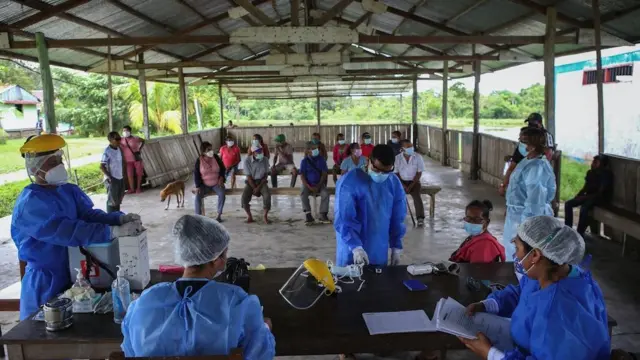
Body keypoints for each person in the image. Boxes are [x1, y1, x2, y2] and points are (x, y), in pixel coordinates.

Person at [11, 134, 141, 320]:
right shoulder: (31, 203)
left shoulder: (67, 190)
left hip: (75, 273)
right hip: (46, 280)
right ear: (35, 167)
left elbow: (88, 215)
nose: (59, 165)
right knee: (45, 335)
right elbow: (64, 230)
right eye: (52, 162)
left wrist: (117, 220)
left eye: (60, 159)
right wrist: (110, 232)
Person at [121, 214, 275, 358]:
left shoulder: (144, 302)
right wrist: (265, 328)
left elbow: (130, 351)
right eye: (224, 253)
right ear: (216, 260)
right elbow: (259, 353)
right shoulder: (236, 301)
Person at [460, 216, 610, 360]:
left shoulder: (557, 316)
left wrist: (490, 354)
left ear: (535, 255)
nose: (515, 255)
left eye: (517, 247)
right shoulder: (554, 271)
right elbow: (523, 293)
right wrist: (487, 305)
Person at [334, 144, 407, 266]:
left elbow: (397, 216)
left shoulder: (393, 182)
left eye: (385, 171)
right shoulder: (350, 182)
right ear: (368, 161)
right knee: (351, 282)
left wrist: (396, 246)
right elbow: (344, 218)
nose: (380, 174)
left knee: (377, 281)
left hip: (379, 248)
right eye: (376, 170)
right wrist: (356, 247)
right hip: (352, 251)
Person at [503, 127, 556, 262]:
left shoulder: (537, 167)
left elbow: (535, 202)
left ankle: (523, 279)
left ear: (533, 145)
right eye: (520, 139)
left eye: (524, 141)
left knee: (523, 254)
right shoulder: (527, 161)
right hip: (516, 215)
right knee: (512, 252)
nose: (520, 143)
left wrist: (526, 229)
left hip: (524, 218)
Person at [565, 154, 613, 236]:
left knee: (584, 208)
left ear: (601, 164)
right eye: (593, 162)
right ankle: (568, 229)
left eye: (595, 162)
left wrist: (584, 197)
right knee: (568, 204)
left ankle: (579, 233)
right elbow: (585, 187)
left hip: (600, 199)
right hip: (588, 197)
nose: (592, 164)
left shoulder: (606, 175)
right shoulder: (590, 173)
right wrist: (579, 195)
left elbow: (599, 194)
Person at [394, 140, 426, 227]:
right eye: (408, 147)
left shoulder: (418, 157)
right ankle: (396, 217)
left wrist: (411, 186)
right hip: (401, 182)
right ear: (402, 149)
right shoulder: (397, 158)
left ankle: (420, 218)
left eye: (411, 146)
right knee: (396, 198)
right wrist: (403, 186)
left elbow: (419, 173)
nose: (411, 148)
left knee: (417, 197)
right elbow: (396, 173)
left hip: (414, 182)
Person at [194, 142, 226, 222]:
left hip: (216, 183)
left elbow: (223, 168)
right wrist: (198, 186)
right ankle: (198, 217)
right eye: (208, 150)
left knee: (222, 193)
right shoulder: (199, 160)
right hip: (204, 185)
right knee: (197, 196)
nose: (211, 151)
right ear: (203, 152)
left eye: (211, 149)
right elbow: (196, 174)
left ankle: (219, 215)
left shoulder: (216, 157)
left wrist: (221, 178)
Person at [300, 142, 330, 225]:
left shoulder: (321, 159)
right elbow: (302, 176)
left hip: (319, 184)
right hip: (308, 184)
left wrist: (319, 185)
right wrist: (309, 186)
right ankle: (308, 215)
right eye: (313, 149)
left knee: (325, 193)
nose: (316, 150)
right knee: (303, 193)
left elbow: (324, 174)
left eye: (316, 149)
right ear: (308, 151)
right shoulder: (304, 161)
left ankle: (323, 214)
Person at [242, 145, 271, 224]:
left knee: (267, 196)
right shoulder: (247, 161)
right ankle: (249, 216)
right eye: (258, 151)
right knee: (244, 198)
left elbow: (266, 175)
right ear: (253, 152)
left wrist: (259, 187)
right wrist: (255, 188)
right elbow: (248, 177)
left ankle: (265, 216)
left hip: (262, 181)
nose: (261, 152)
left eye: (261, 151)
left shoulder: (265, 159)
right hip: (251, 182)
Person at [100, 131, 126, 213]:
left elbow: (122, 163)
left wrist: (123, 175)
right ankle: (110, 218)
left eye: (120, 139)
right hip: (112, 178)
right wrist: (110, 177)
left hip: (120, 177)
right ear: (110, 140)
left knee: (118, 199)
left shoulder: (119, 149)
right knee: (112, 201)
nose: (119, 141)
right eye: (117, 139)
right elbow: (102, 166)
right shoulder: (107, 151)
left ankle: (117, 216)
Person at [499, 127, 529, 197]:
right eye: (521, 135)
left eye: (525, 136)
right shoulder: (519, 150)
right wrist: (503, 185)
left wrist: (503, 185)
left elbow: (511, 169)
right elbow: (510, 169)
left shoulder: (521, 150)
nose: (523, 138)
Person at [120, 125, 145, 194]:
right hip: (127, 160)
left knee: (139, 174)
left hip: (136, 158)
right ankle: (132, 189)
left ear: (130, 131)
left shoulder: (135, 138)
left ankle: (138, 188)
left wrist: (140, 148)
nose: (125, 132)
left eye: (126, 130)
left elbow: (143, 141)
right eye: (124, 130)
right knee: (129, 175)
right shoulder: (121, 139)